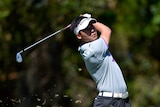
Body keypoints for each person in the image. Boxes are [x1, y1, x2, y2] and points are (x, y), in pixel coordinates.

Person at [70, 13, 131, 107]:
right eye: (87, 29)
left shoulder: (90, 47)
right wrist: (88, 18)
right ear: (79, 35)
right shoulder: (94, 49)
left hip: (122, 101)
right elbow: (106, 30)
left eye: (92, 26)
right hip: (109, 102)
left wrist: (87, 19)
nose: (93, 30)